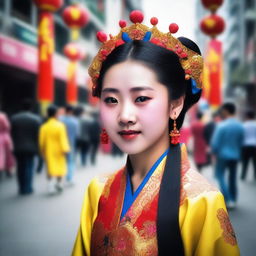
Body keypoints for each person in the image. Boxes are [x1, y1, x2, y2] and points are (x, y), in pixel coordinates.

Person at [72, 11, 240, 256]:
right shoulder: (98, 190)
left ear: (175, 105)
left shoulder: (201, 201)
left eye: (141, 98)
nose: (125, 116)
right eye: (111, 99)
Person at [211, 103, 244, 209]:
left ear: (226, 111)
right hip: (235, 154)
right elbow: (241, 142)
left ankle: (228, 199)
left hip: (222, 155)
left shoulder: (222, 125)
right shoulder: (240, 126)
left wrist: (213, 152)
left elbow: (215, 143)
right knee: (233, 177)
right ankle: (234, 198)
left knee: (220, 175)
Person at [11, 99, 41, 194]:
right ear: (30, 108)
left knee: (20, 167)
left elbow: (12, 133)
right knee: (29, 167)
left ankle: (21, 187)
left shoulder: (14, 118)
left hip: (18, 147)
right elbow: (38, 135)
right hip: (31, 147)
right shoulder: (36, 119)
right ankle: (28, 188)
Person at [39, 105, 70, 194]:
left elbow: (41, 141)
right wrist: (65, 149)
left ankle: (50, 185)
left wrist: (42, 151)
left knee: (50, 167)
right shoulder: (60, 126)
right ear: (56, 114)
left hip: (49, 150)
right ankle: (59, 183)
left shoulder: (44, 127)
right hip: (59, 150)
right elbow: (63, 139)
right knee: (60, 167)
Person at [60, 105, 79, 184]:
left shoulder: (60, 119)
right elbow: (77, 134)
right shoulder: (75, 121)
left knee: (61, 160)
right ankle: (69, 177)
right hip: (71, 143)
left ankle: (60, 178)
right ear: (71, 111)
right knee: (70, 161)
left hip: (61, 143)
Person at [240, 109, 256, 180]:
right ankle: (255, 176)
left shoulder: (244, 125)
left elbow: (241, 136)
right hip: (255, 145)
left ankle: (243, 175)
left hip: (246, 145)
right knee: (255, 162)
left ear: (247, 116)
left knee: (245, 162)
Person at [0, 112, 14, 180]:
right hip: (4, 138)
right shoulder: (2, 116)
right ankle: (8, 170)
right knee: (8, 155)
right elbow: (7, 126)